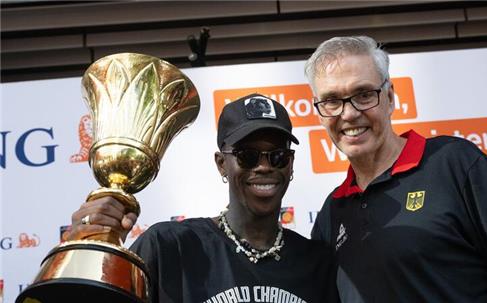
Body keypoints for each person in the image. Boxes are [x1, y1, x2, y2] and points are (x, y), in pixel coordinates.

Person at [304, 36, 487, 302]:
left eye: (363, 94)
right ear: (320, 113)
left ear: (390, 97)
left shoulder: (453, 164)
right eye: (332, 101)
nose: (348, 114)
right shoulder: (330, 215)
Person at [68, 93, 338, 303]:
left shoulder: (316, 262)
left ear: (290, 164)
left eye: (277, 156)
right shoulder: (170, 246)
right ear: (222, 163)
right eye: (247, 155)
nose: (264, 166)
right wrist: (88, 251)